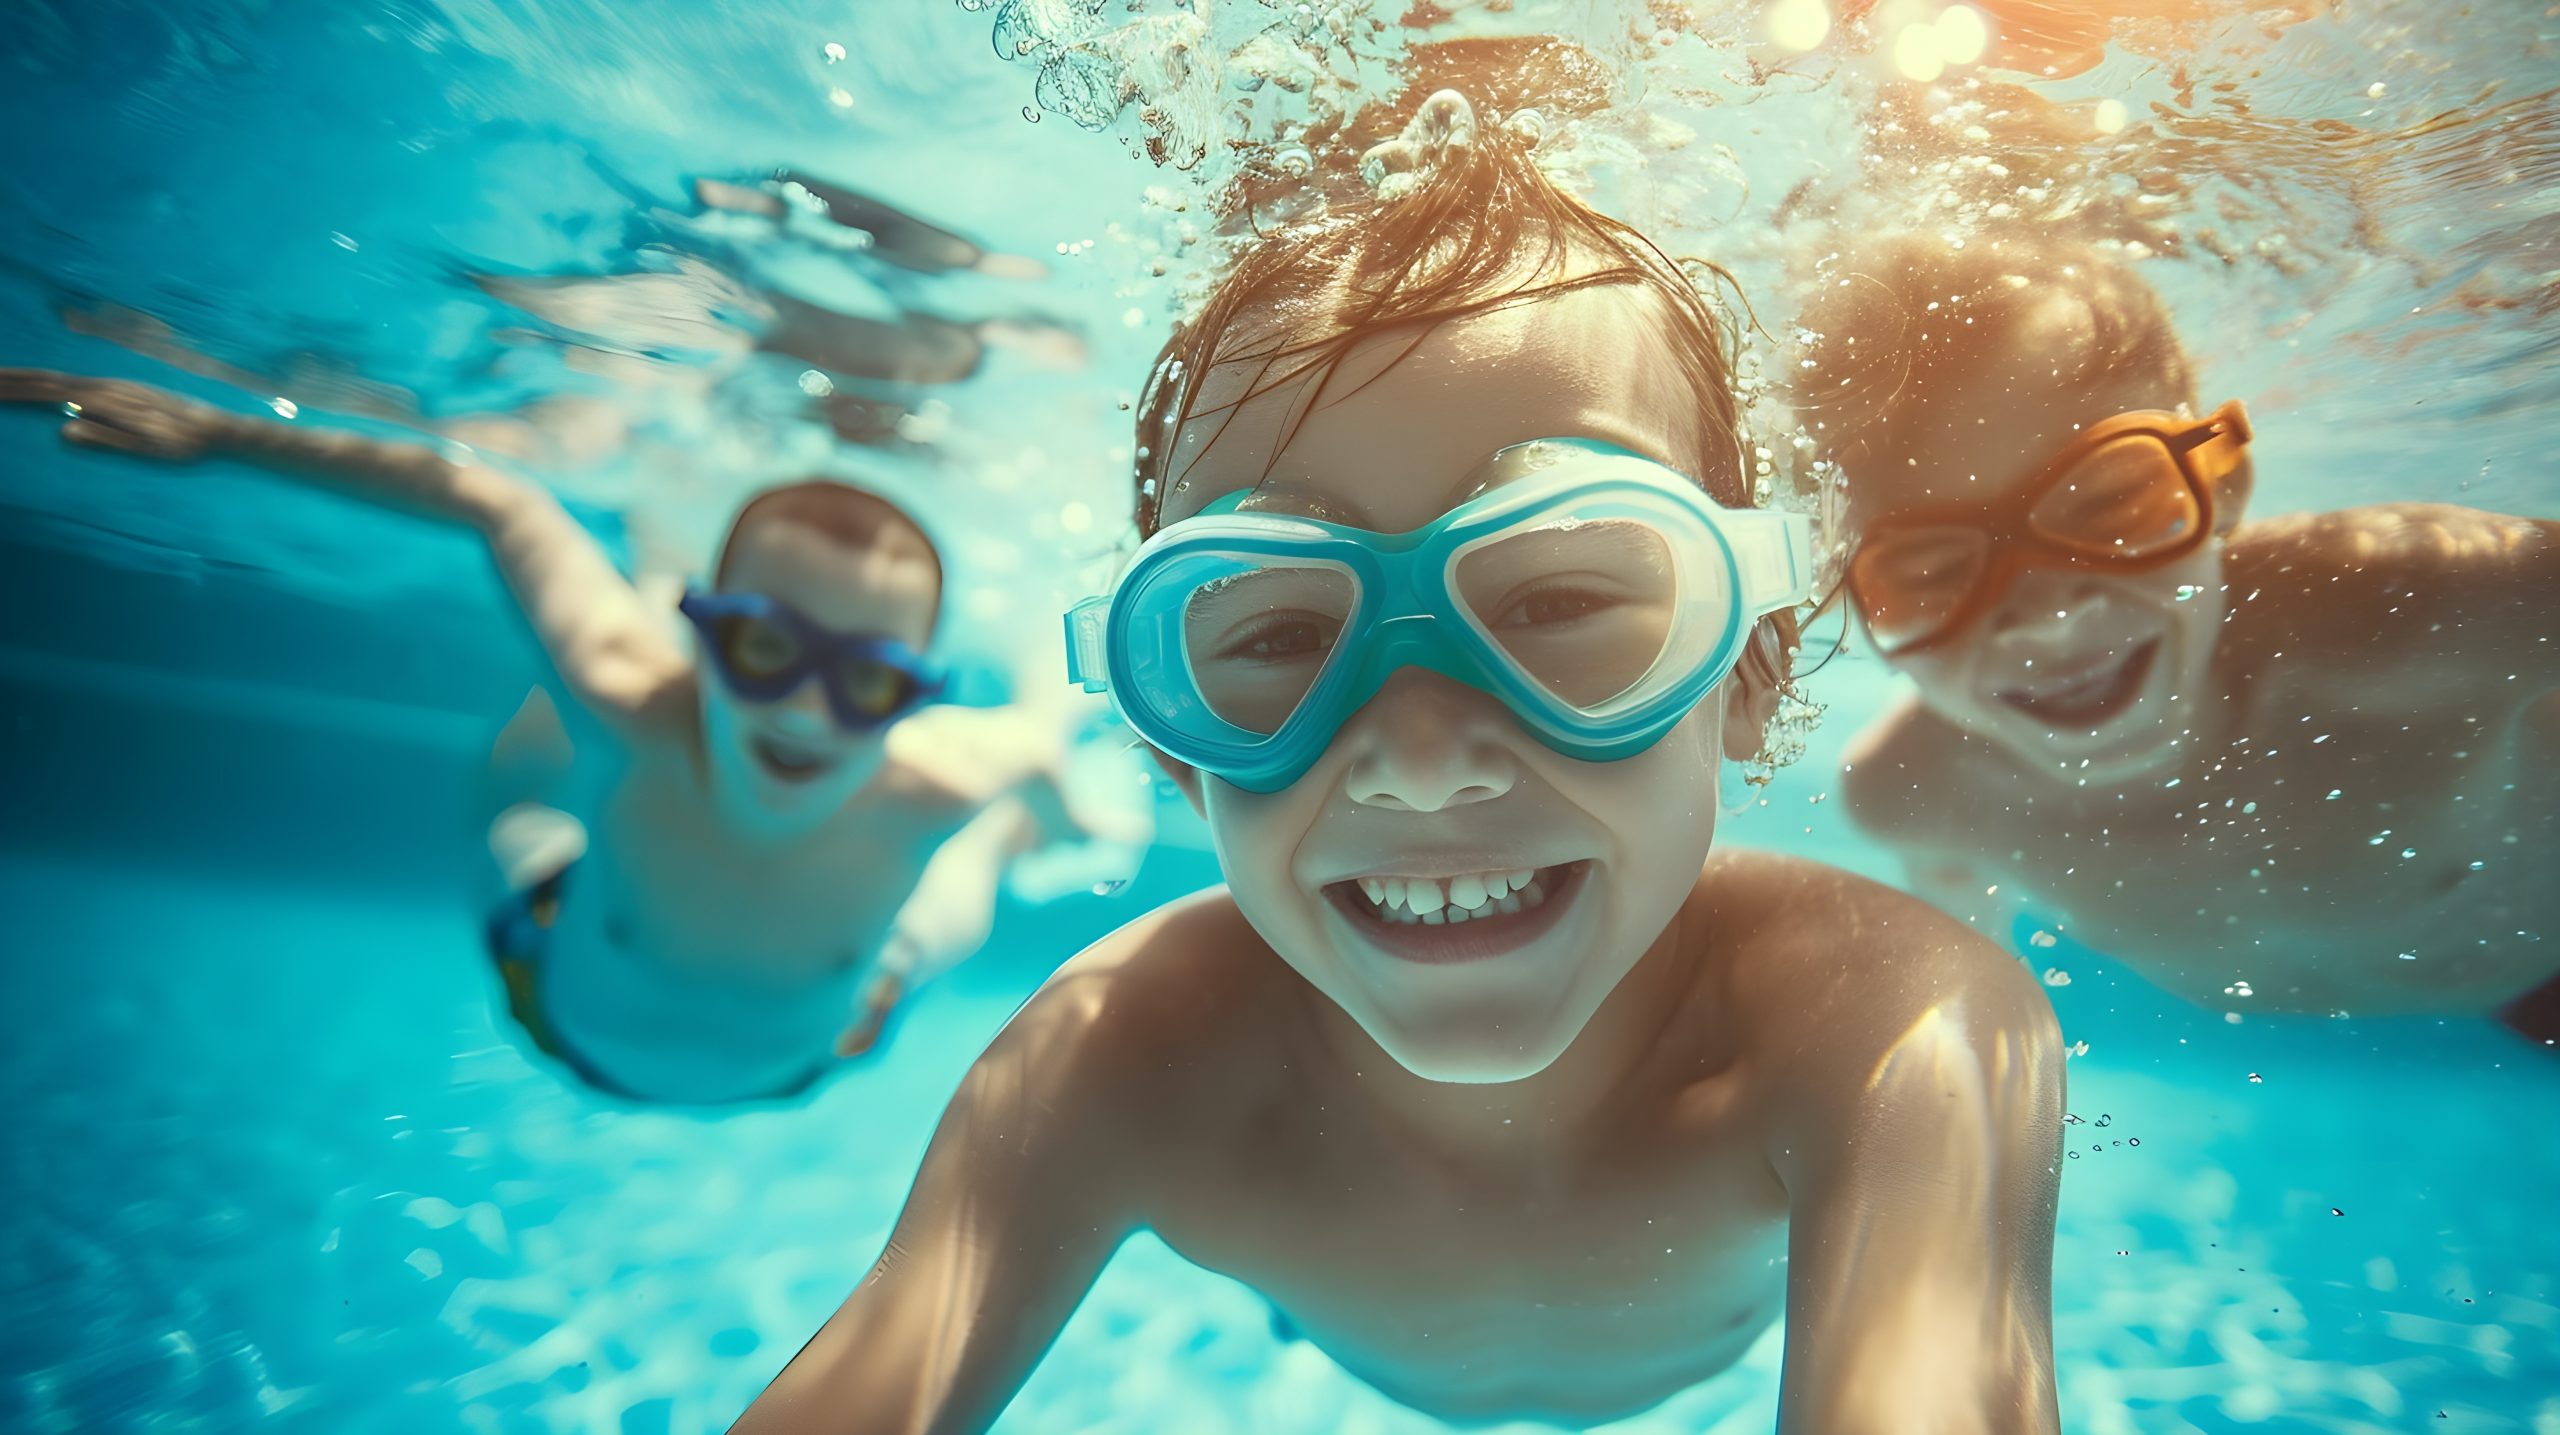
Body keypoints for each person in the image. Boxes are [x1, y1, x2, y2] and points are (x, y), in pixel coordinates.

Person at [732, 90, 2063, 1434]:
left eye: (1556, 602)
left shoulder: (1893, 1030)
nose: (1418, 759)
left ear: (1745, 670)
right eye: (1278, 628)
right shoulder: (1118, 1055)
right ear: (1179, 748)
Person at [0, 367, 1131, 1102]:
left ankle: (995, 823)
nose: (803, 711)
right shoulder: (633, 703)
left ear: (916, 695)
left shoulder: (945, 772)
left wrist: (1076, 822)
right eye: (764, 651)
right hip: (556, 993)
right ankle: (650, 574)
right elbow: (500, 501)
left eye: (870, 681)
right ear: (705, 639)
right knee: (532, 769)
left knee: (974, 853)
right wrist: (219, 433)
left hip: (818, 1048)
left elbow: (1037, 745)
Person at [1799, 231, 2559, 1040]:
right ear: (1851, 603)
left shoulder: (2426, 610)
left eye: (2110, 502)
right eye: (1926, 571)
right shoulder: (1914, 796)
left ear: (2222, 480)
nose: (2053, 616)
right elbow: (1962, 1009)